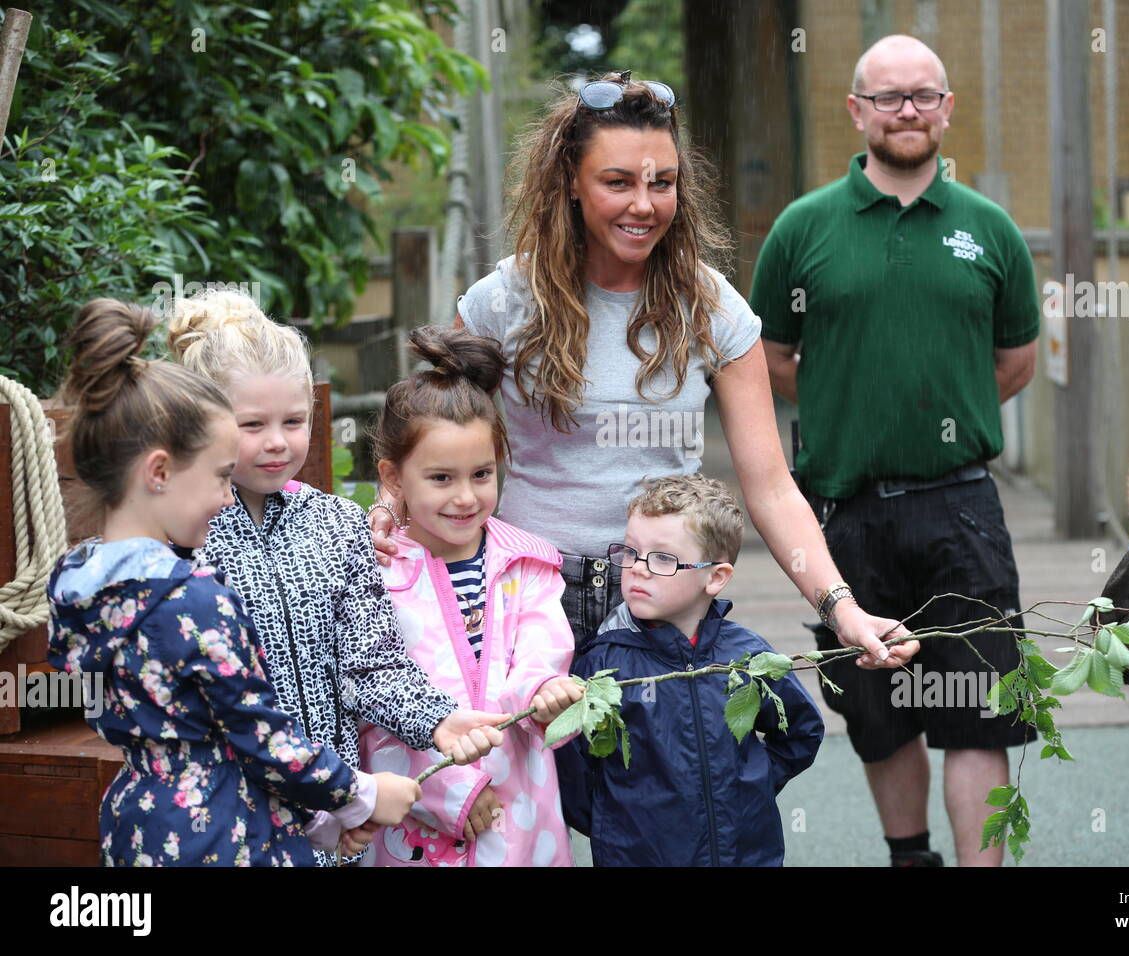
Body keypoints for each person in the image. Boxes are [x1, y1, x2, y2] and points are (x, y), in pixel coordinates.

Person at [369, 71, 919, 680]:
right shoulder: (504, 301)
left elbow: (769, 487)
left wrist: (841, 609)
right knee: (536, 775)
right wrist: (393, 500)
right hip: (523, 593)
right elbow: (433, 429)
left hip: (662, 598)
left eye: (663, 183)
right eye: (618, 182)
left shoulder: (712, 308)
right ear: (571, 185)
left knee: (666, 772)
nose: (644, 204)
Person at [750, 35, 1039, 867]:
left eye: (923, 95)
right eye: (888, 97)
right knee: (878, 711)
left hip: (963, 507)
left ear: (948, 108)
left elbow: (1013, 362)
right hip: (846, 508)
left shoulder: (989, 230)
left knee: (980, 706)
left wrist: (945, 411)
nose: (907, 110)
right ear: (857, 111)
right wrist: (852, 406)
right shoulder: (804, 229)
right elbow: (770, 354)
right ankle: (909, 858)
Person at [46, 298, 426, 866]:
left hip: (145, 823)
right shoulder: (195, 594)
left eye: (293, 421)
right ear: (164, 467)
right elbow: (256, 733)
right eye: (225, 467)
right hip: (233, 830)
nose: (274, 442)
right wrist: (358, 795)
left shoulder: (82, 583)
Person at [166, 291, 507, 864]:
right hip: (223, 816)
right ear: (200, 422)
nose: (278, 441)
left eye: (293, 421)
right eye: (252, 424)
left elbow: (371, 666)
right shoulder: (183, 536)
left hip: (335, 811)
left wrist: (439, 720)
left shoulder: (338, 525)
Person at [358, 327, 583, 867]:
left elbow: (540, 646)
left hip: (521, 808)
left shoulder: (527, 563)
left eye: (482, 474)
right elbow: (372, 705)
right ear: (394, 475)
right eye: (440, 478)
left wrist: (547, 690)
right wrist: (449, 789)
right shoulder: (375, 575)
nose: (465, 497)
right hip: (418, 814)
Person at [557, 474, 823, 866]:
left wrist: (751, 784)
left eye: (662, 558)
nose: (638, 569)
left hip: (745, 854)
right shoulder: (603, 664)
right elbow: (572, 763)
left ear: (715, 577)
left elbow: (801, 731)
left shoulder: (745, 657)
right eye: (630, 553)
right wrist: (614, 822)